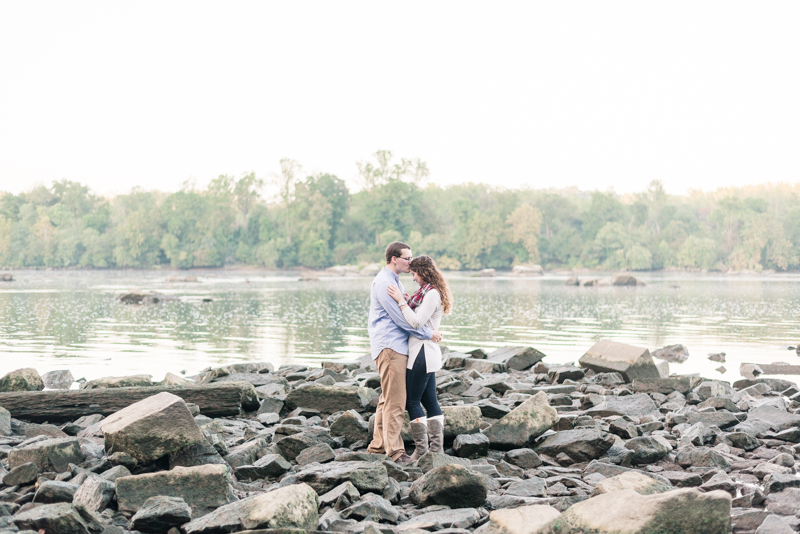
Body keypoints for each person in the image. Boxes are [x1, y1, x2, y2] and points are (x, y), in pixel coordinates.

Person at [367, 242, 443, 463]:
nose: (410, 262)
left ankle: (379, 445)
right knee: (397, 402)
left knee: (388, 399)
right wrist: (429, 333)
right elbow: (402, 320)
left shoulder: (395, 282)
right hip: (391, 346)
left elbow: (408, 312)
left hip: (398, 346)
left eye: (411, 259)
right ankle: (396, 452)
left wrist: (405, 301)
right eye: (407, 258)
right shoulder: (384, 284)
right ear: (393, 259)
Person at [387, 255, 452, 462]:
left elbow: (416, 323)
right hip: (426, 352)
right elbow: (421, 318)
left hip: (421, 353)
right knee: (430, 401)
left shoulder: (431, 294)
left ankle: (422, 451)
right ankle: (436, 451)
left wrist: (400, 301)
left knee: (412, 402)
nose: (413, 278)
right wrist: (407, 301)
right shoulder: (428, 293)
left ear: (423, 272)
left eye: (414, 274)